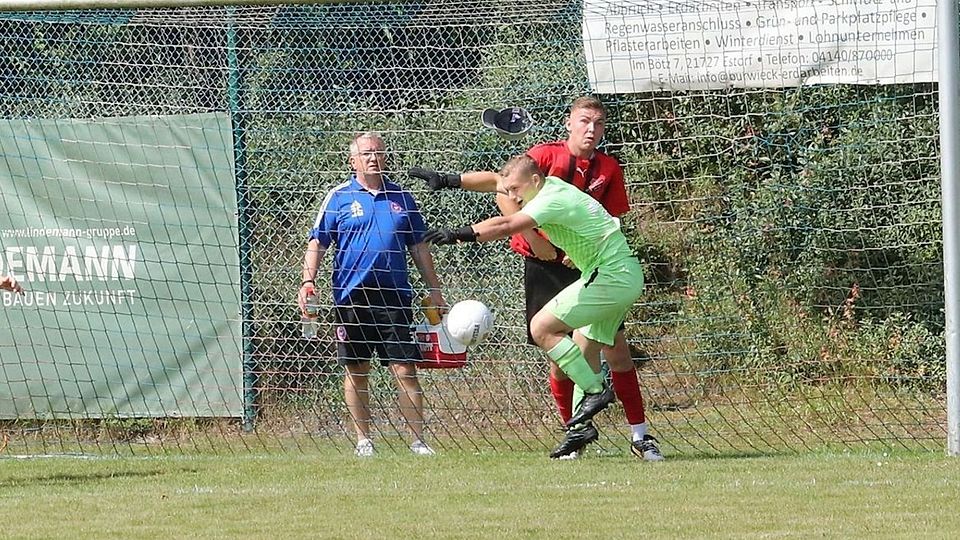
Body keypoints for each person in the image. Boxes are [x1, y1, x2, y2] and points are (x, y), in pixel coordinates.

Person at [410, 96, 662, 461]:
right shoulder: (544, 158)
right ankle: (579, 429)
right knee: (577, 351)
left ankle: (613, 409)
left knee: (544, 330)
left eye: (598, 122)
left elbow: (508, 221)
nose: (591, 129)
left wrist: (458, 233)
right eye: (583, 121)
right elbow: (501, 183)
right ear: (568, 123)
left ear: (535, 181)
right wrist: (450, 180)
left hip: (605, 273)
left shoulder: (561, 191)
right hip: (591, 269)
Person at [298, 131, 446, 457]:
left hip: (394, 295)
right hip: (352, 297)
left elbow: (419, 247)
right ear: (353, 160)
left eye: (378, 152)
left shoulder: (403, 198)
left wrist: (434, 289)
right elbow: (317, 243)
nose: (373, 157)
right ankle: (364, 441)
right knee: (356, 369)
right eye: (366, 153)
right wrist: (308, 281)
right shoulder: (338, 198)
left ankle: (418, 441)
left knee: (405, 369)